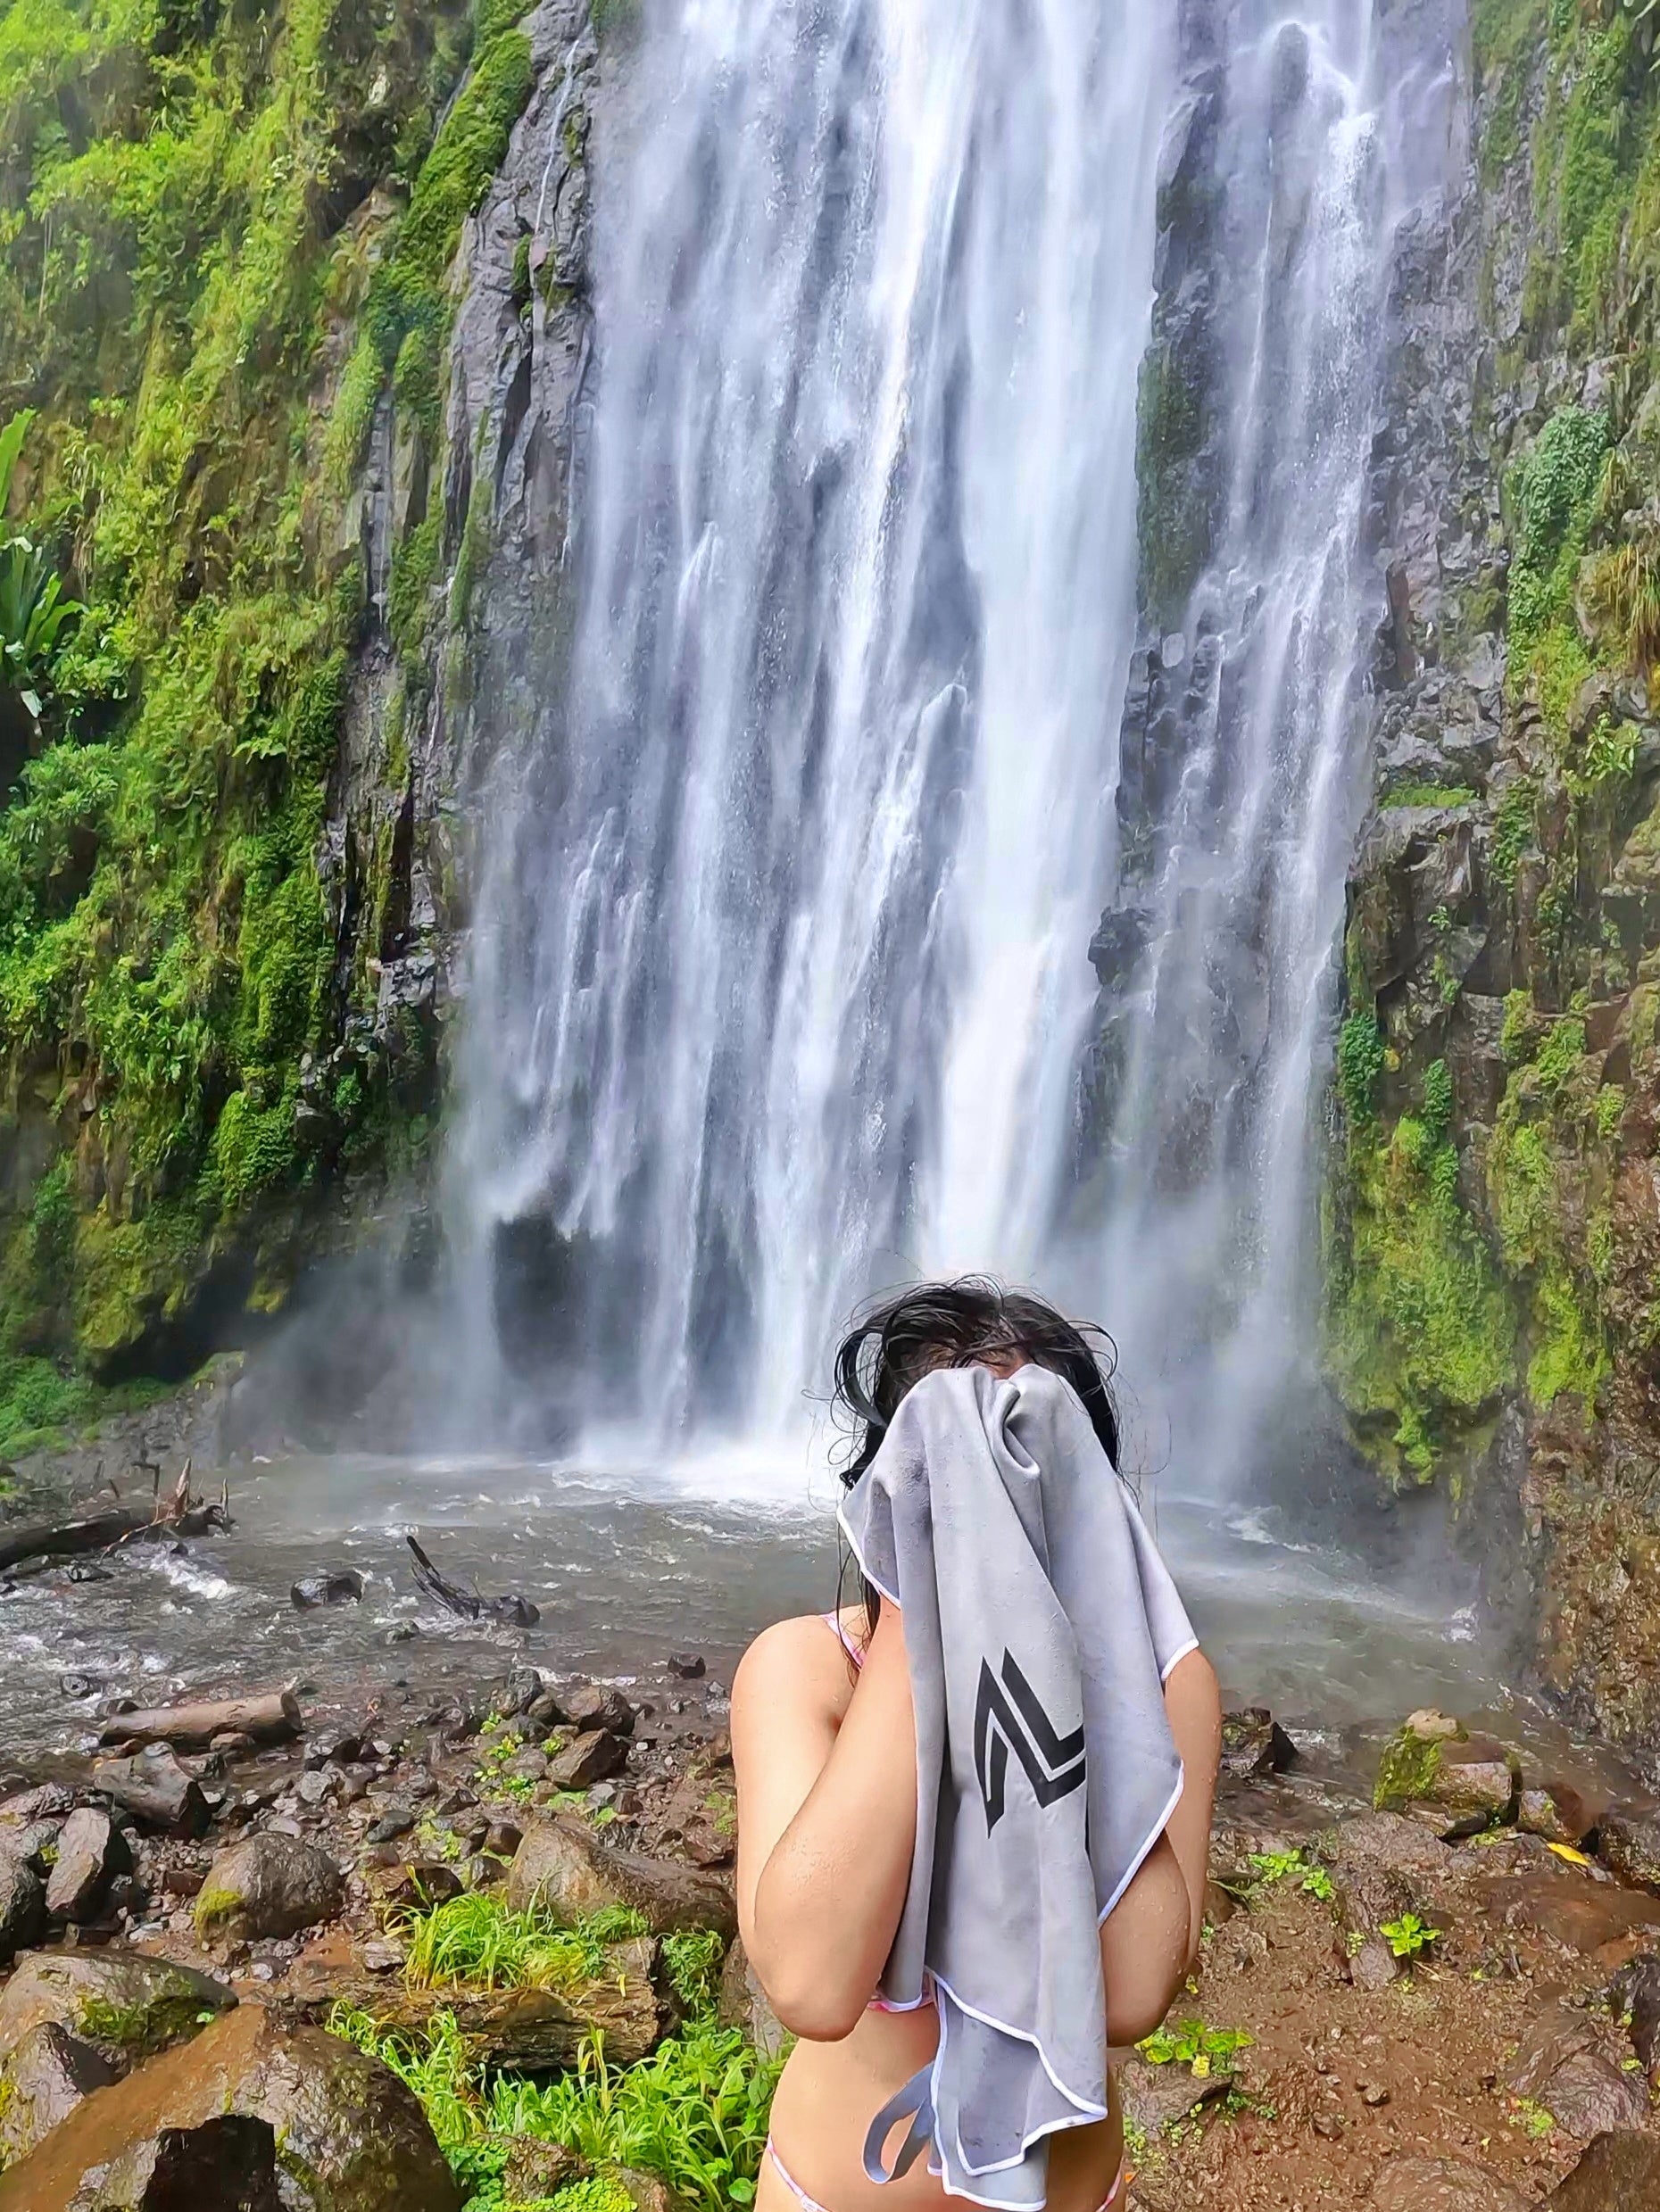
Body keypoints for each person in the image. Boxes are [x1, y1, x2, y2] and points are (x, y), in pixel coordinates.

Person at [732, 1280, 1223, 2212]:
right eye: (956, 1482)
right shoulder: (806, 1671)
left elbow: (1129, 1991)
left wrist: (1088, 1653)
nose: (994, 1520)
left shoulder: (1170, 1690)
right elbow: (812, 1980)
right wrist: (927, 1590)